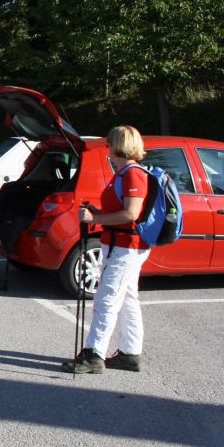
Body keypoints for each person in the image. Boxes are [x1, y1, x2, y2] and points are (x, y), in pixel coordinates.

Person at [63, 125, 151, 374]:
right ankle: (130, 354)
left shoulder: (133, 174)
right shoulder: (124, 173)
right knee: (128, 299)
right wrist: (99, 214)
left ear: (119, 146)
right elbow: (122, 213)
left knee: (106, 299)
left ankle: (94, 355)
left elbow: (131, 213)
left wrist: (95, 219)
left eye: (110, 143)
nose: (108, 149)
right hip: (121, 245)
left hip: (126, 247)